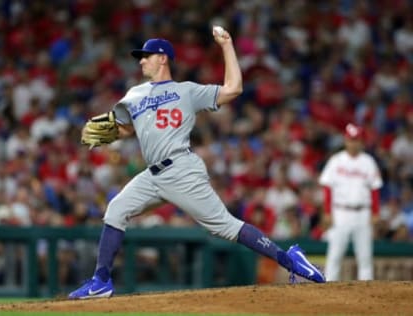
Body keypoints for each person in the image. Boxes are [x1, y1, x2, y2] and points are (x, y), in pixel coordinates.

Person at [68, 26, 325, 299]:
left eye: (147, 55)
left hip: (181, 169)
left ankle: (291, 260)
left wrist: (227, 45)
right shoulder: (134, 95)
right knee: (116, 210)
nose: (141, 60)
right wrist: (103, 134)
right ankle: (101, 281)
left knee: (224, 226)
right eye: (140, 56)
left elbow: (234, 89)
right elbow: (126, 129)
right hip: (152, 175)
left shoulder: (186, 91)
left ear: (163, 58)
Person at [319, 123, 383, 281]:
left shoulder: (368, 161)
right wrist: (327, 212)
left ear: (361, 141)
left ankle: (367, 293)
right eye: (350, 140)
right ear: (345, 140)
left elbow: (375, 189)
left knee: (365, 257)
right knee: (334, 255)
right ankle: (328, 289)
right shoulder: (336, 160)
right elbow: (328, 187)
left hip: (363, 213)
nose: (353, 143)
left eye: (356, 140)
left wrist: (375, 212)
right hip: (340, 212)